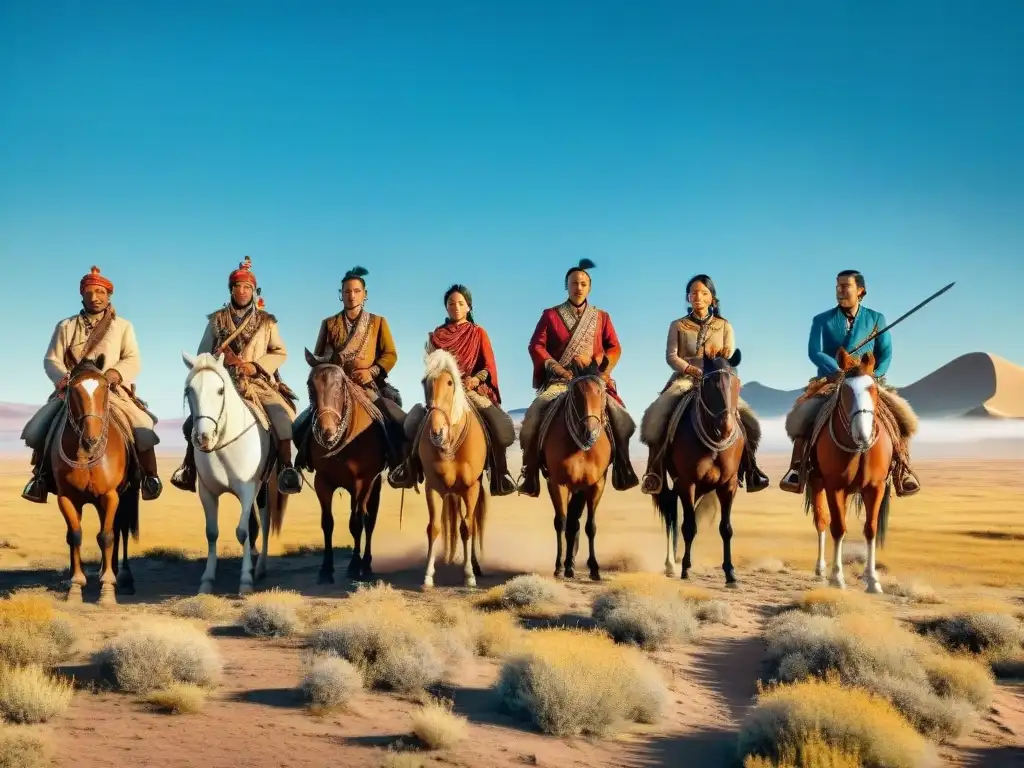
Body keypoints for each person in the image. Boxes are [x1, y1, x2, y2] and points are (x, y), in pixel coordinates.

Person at [20, 266, 163, 503]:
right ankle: (40, 478)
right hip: (73, 391)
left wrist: (115, 374)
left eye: (100, 292)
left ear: (109, 296)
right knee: (39, 426)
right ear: (82, 295)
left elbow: (133, 358)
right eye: (89, 292)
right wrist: (63, 379)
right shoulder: (65, 326)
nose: (95, 297)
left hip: (111, 391)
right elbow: (52, 359)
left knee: (142, 423)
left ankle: (149, 477)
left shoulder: (123, 326)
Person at [779, 269, 921, 496]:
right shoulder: (821, 320)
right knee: (804, 414)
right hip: (832, 378)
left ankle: (902, 469)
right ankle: (797, 468)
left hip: (868, 378)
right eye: (838, 286)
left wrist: (873, 375)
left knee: (901, 416)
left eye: (846, 286)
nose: (840, 290)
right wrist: (835, 370)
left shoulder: (876, 319)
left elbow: (885, 353)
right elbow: (814, 351)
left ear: (861, 291)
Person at [170, 257, 302, 494]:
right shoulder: (217, 320)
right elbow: (202, 355)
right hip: (223, 381)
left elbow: (279, 352)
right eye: (237, 287)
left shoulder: (267, 321)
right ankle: (188, 468)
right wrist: (215, 363)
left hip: (257, 382)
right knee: (193, 421)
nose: (242, 292)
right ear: (230, 290)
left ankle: (286, 469)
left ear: (254, 291)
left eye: (247, 288)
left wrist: (255, 366)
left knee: (282, 418)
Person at [517, 258, 640, 496]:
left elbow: (614, 347)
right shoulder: (551, 315)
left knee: (621, 416)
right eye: (574, 283)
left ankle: (623, 465)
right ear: (566, 286)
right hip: (560, 382)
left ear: (590, 287)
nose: (579, 287)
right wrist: (556, 368)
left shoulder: (601, 317)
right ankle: (530, 471)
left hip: (592, 381)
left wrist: (601, 368)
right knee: (533, 416)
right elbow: (536, 346)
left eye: (583, 283)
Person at [639, 274, 770, 495]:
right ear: (688, 297)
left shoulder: (724, 326)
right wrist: (691, 369)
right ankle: (655, 472)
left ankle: (750, 468)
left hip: (717, 380)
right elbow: (672, 357)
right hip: (685, 379)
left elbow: (728, 357)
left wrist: (718, 365)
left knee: (749, 420)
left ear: (712, 298)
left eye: (703, 293)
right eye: (693, 293)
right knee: (656, 414)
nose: (697, 296)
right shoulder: (678, 325)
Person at [388, 284, 517, 495]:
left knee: (499, 425)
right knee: (415, 422)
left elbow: (489, 366)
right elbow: (431, 369)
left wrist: (475, 380)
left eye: (460, 303)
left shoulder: (478, 333)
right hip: (444, 393)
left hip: (472, 391)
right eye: (451, 304)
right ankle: (409, 466)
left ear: (469, 307)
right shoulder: (436, 336)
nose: (455, 307)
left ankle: (499, 473)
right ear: (445, 307)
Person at [292, 266, 408, 476]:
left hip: (367, 386)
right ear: (341, 295)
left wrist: (372, 371)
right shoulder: (329, 323)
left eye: (356, 291)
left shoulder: (378, 322)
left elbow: (390, 354)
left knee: (394, 417)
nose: (351, 296)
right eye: (346, 292)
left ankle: (397, 464)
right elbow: (319, 360)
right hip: (335, 388)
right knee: (301, 423)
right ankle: (298, 467)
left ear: (365, 295)